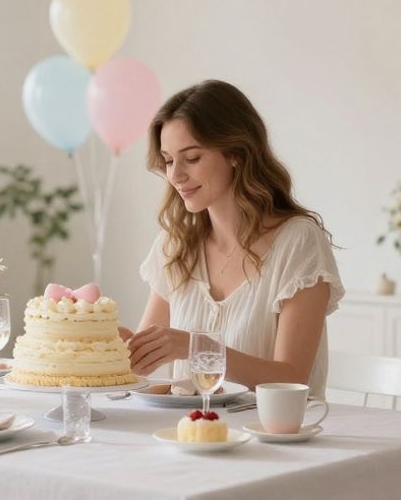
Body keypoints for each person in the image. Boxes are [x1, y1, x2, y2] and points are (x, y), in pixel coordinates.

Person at [126, 80, 343, 390]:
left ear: (235, 153)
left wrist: (194, 348)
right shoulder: (174, 246)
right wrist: (116, 351)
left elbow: (292, 377)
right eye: (170, 160)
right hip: (190, 434)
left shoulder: (298, 242)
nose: (175, 176)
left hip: (273, 435)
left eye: (192, 158)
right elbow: (144, 372)